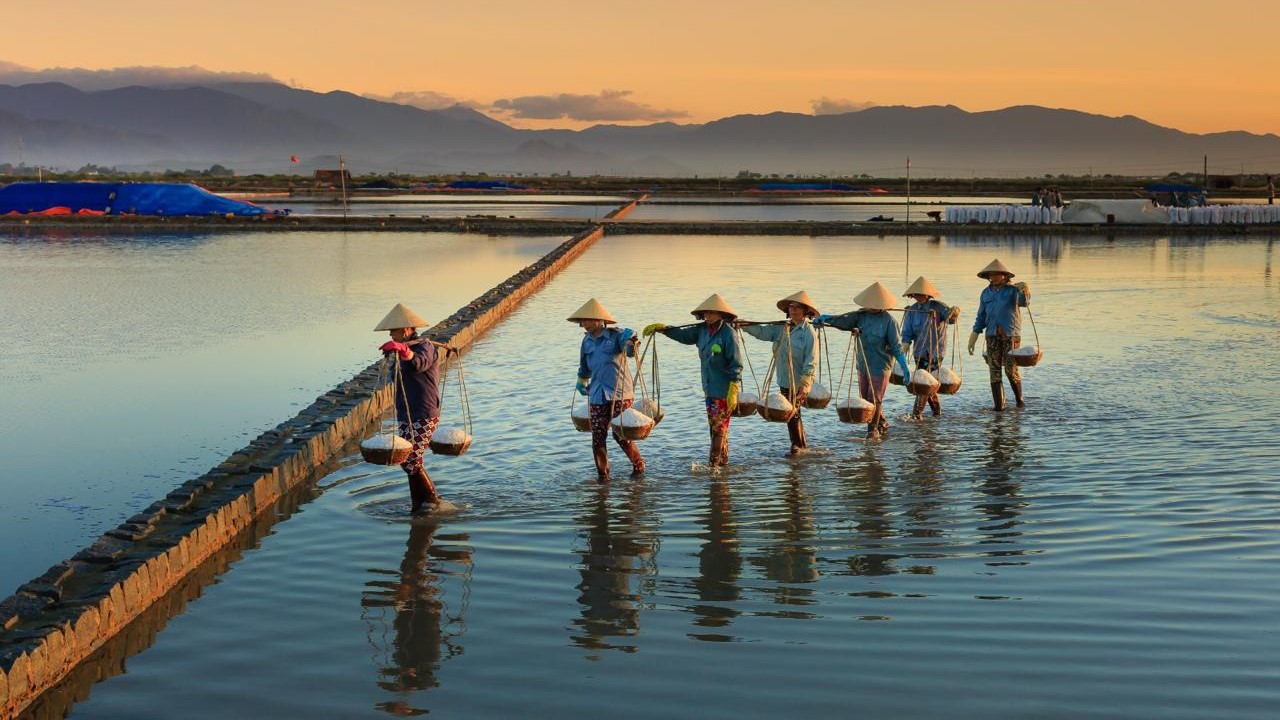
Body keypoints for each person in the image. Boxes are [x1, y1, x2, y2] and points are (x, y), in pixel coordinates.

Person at [643, 294, 743, 468]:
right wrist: (665, 329)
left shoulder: (729, 334)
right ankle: (722, 464)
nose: (708, 316)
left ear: (721, 314)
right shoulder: (701, 330)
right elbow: (684, 335)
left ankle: (713, 467)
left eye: (712, 312)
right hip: (709, 387)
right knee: (715, 427)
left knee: (719, 428)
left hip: (725, 389)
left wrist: (734, 387)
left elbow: (736, 364)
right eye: (706, 312)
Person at [375, 303, 451, 515]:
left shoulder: (425, 347)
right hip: (406, 413)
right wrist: (398, 353)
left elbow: (418, 363)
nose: (391, 334)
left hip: (424, 412)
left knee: (411, 460)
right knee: (406, 460)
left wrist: (404, 351)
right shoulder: (403, 351)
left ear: (407, 329)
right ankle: (418, 504)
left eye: (394, 330)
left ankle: (432, 500)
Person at [814, 282, 911, 440]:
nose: (871, 307)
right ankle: (882, 423)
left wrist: (904, 367)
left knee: (875, 399)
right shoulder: (861, 316)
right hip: (863, 363)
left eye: (875, 304)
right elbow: (843, 320)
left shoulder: (889, 322)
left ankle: (872, 431)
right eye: (869, 304)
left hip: (880, 365)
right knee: (865, 400)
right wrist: (826, 319)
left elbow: (896, 347)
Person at [569, 298, 645, 482]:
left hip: (620, 393)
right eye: (582, 321)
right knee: (598, 437)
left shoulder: (616, 336)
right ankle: (603, 475)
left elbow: (629, 352)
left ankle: (638, 466)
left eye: (587, 320)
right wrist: (581, 382)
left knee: (621, 435)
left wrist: (632, 341)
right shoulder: (586, 342)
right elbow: (584, 367)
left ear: (598, 320)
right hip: (597, 394)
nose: (583, 324)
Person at [740, 290, 820, 456]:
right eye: (791, 306)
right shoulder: (781, 328)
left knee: (793, 413)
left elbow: (811, 361)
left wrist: (805, 385)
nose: (794, 310)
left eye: (798, 307)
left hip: (799, 381)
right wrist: (744, 325)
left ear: (805, 311)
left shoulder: (809, 333)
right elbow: (761, 332)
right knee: (793, 414)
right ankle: (799, 445)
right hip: (784, 379)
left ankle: (797, 446)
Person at [967, 259, 1031, 410]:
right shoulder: (985, 293)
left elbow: (1024, 303)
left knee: (1010, 369)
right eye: (991, 275)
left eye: (997, 274)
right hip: (991, 335)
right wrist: (974, 335)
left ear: (1004, 276)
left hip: (1011, 335)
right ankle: (999, 407)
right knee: (994, 371)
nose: (993, 277)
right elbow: (981, 316)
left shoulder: (1013, 290)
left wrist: (1025, 290)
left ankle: (1019, 401)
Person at [900, 277, 959, 419]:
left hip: (935, 351)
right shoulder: (912, 311)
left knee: (925, 382)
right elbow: (907, 332)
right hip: (919, 351)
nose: (919, 296)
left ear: (928, 295)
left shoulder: (939, 307)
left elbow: (950, 319)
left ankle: (916, 414)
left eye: (921, 294)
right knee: (927, 382)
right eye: (916, 294)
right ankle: (937, 412)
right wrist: (905, 345)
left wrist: (954, 312)